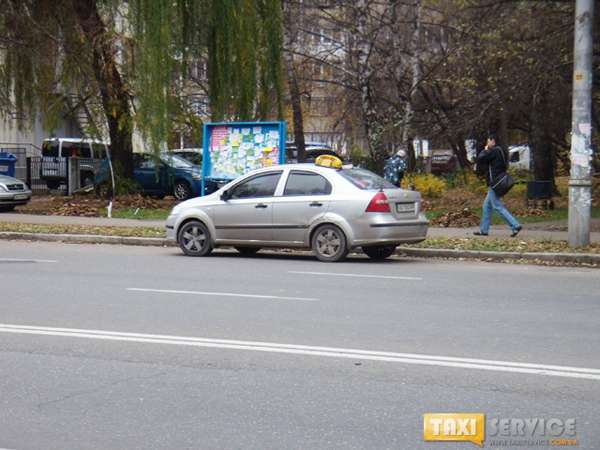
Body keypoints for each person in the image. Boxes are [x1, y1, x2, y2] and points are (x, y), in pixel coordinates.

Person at [474, 134, 522, 237]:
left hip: (494, 183)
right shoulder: (501, 150)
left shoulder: (494, 151)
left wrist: (486, 149)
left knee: (497, 206)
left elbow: (481, 158)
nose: (487, 144)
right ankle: (484, 230)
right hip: (498, 182)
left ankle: (515, 225)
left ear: (493, 141)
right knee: (486, 206)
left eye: (488, 141)